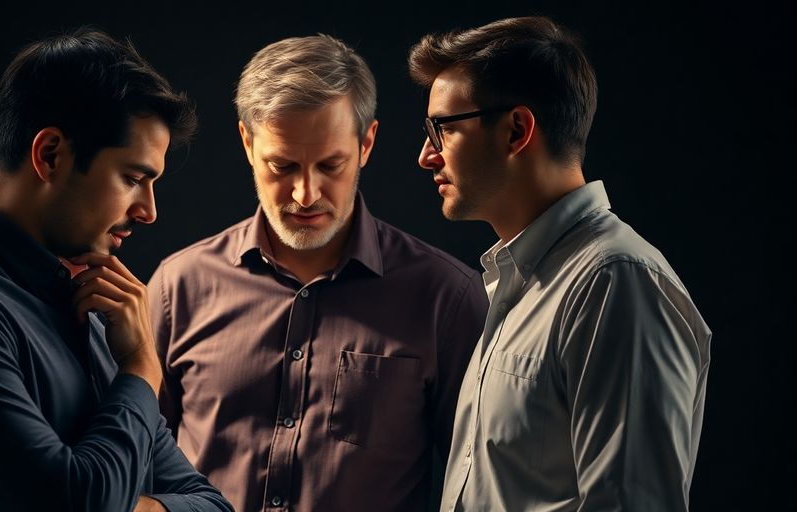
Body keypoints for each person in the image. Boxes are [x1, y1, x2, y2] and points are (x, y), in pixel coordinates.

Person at [0, 28, 232, 512]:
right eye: (133, 179)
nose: (149, 211)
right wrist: (140, 368)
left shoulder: (92, 311)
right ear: (50, 154)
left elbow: (212, 505)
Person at [147, 34, 488, 511]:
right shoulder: (175, 289)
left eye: (331, 165)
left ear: (366, 143)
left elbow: (479, 487)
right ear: (247, 142)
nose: (305, 194)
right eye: (282, 166)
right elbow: (136, 471)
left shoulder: (447, 298)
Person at [409, 16, 712, 511]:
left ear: (516, 131)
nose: (427, 155)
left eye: (442, 129)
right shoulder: (522, 282)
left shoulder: (615, 282)